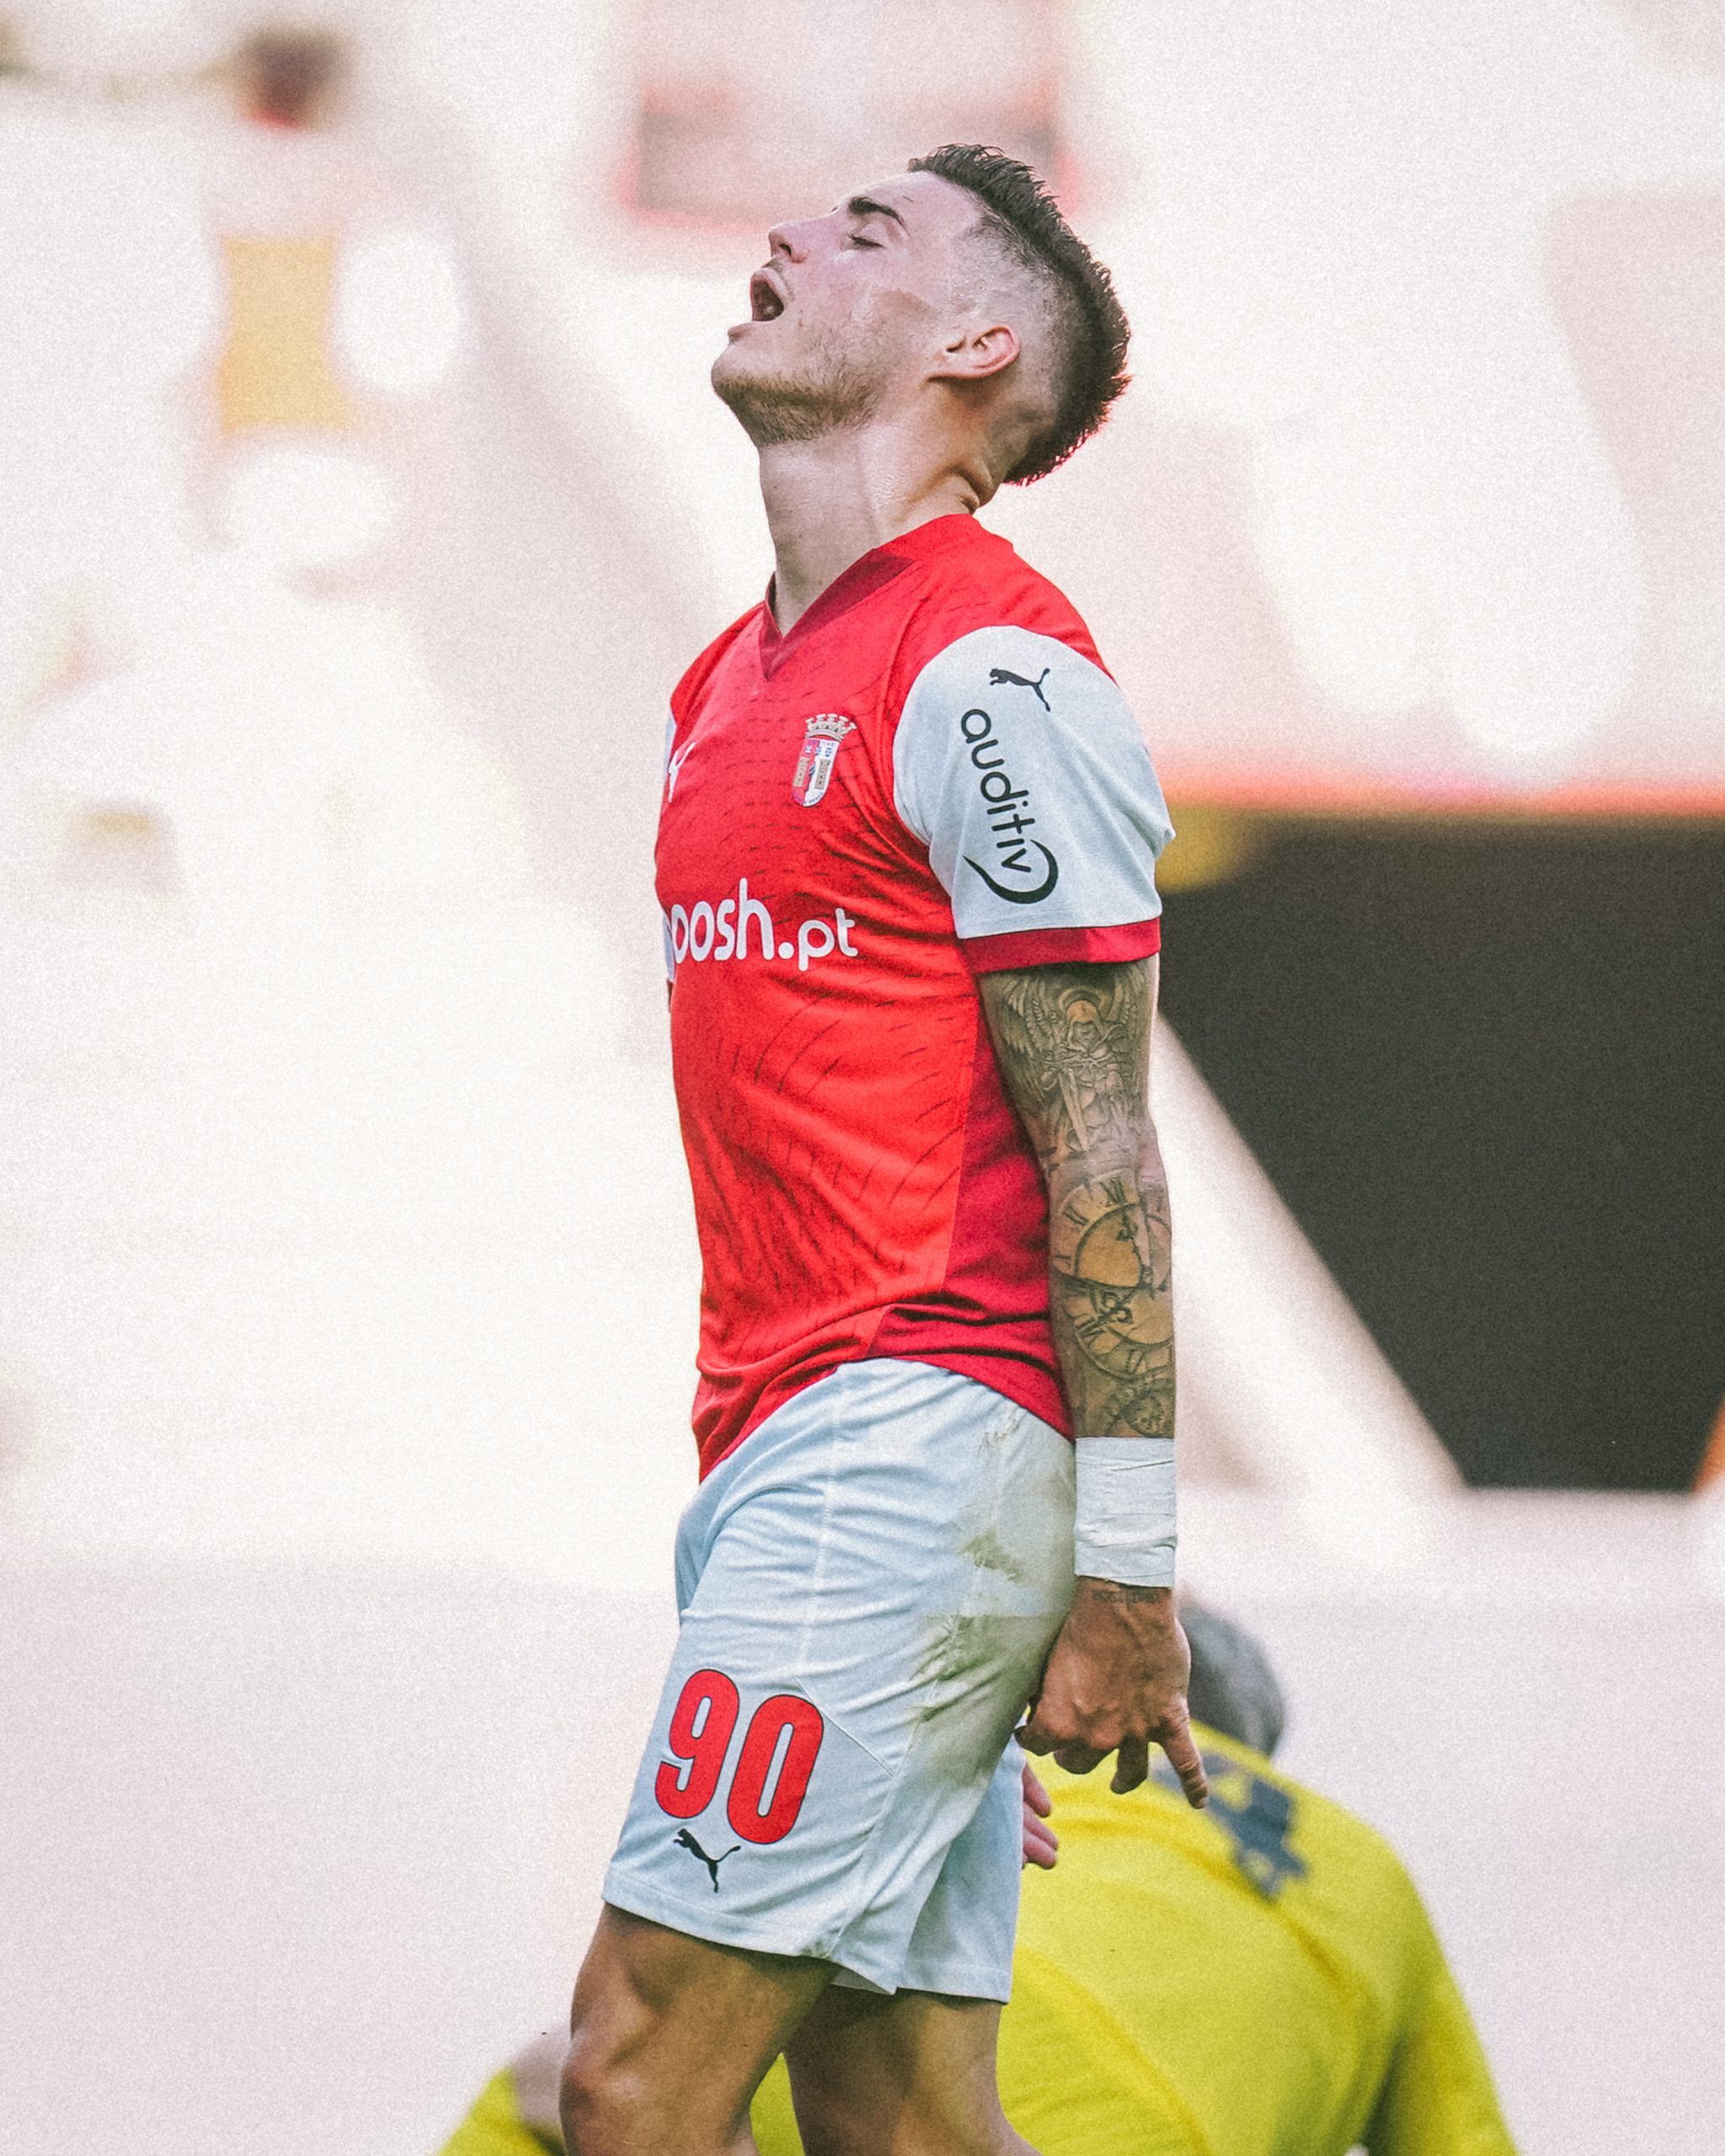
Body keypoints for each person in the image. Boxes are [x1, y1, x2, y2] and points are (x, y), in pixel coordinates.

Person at [560, 144, 1204, 2156]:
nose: (786, 236)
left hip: (903, 1439)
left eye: (868, 234)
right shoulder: (719, 681)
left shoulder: (992, 673)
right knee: (897, 2116)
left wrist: (1120, 1575)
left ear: (975, 343)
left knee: (630, 2077)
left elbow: (1103, 1142)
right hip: (808, 1463)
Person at [442, 1607, 1518, 2156]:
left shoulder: (1023, 1746)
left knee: (590, 2080)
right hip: (1065, 2119)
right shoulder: (1364, 1869)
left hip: (855, 2050)